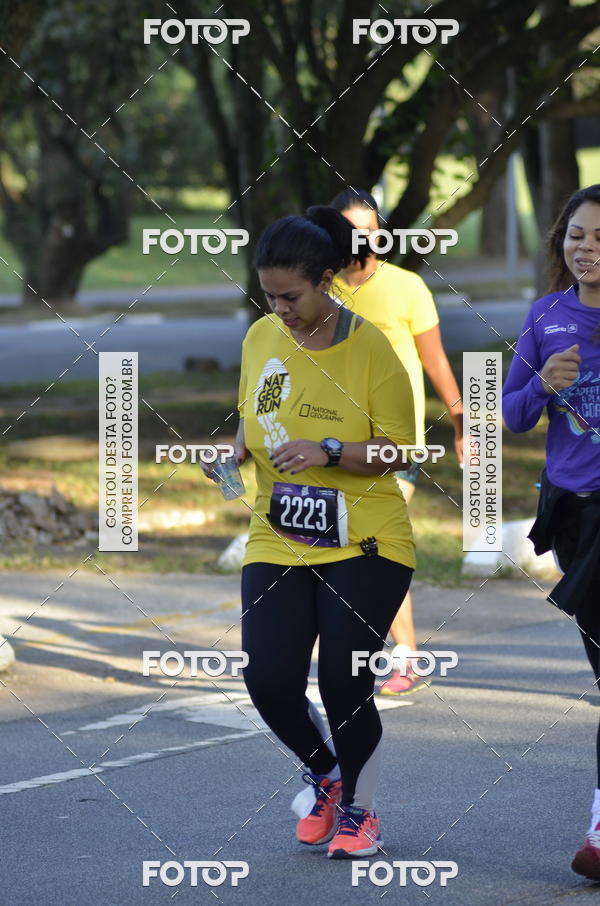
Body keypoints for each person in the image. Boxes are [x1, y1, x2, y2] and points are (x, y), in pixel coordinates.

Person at [206, 206, 416, 859]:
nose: (280, 309)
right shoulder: (261, 338)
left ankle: (361, 808)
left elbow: (401, 451)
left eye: (291, 296)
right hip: (278, 533)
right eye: (269, 296)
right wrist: (232, 454)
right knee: (267, 678)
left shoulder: (372, 349)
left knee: (343, 682)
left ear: (328, 280)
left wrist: (327, 448)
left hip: (367, 539)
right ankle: (325, 774)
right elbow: (254, 413)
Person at [502, 184, 600, 880]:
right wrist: (542, 381)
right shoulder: (546, 316)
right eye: (575, 235)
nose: (585, 248)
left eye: (599, 237)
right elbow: (511, 415)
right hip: (574, 514)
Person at [330, 188, 463, 695]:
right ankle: (373, 646)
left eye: (368, 230)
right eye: (348, 230)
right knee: (354, 544)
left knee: (377, 539)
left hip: (395, 439)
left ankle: (404, 656)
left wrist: (460, 423)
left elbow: (436, 361)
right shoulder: (323, 290)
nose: (359, 240)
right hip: (336, 439)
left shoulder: (407, 288)